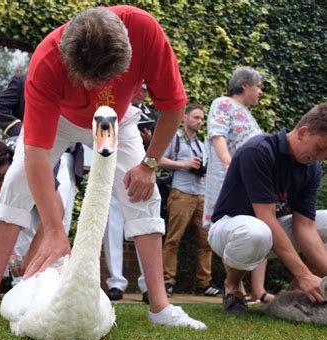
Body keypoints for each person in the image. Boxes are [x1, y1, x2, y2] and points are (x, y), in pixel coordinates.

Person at [0, 5, 206, 329]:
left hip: (108, 121)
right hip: (59, 120)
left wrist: (149, 164)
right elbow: (36, 155)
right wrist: (55, 230)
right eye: (82, 79)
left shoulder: (145, 31)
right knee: (15, 182)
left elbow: (174, 106)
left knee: (144, 195)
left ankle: (160, 307)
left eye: (97, 80)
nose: (88, 87)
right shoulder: (46, 60)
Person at [208, 103, 327, 315]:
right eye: (320, 148)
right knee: (256, 231)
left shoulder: (311, 168)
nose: (322, 156)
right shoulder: (259, 151)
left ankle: (290, 299)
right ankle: (233, 285)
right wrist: (303, 273)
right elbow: (266, 218)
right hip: (228, 229)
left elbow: (305, 227)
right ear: (303, 133)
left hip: (268, 232)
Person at [0, 138, 63, 306]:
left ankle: (52, 292)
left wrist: (30, 255)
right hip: (26, 171)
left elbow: (58, 210)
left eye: (1, 180)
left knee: (50, 230)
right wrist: (12, 257)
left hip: (43, 168)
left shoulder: (28, 162)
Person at [202, 66, 273, 302]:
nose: (260, 92)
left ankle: (258, 290)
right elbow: (217, 134)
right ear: (244, 86)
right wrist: (228, 165)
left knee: (260, 226)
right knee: (237, 230)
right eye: (258, 87)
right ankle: (236, 285)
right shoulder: (223, 103)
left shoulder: (247, 113)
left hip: (251, 183)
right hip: (230, 183)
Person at [0, 73, 83, 234]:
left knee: (61, 217)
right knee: (25, 215)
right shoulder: (24, 80)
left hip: (67, 158)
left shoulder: (81, 86)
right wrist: (23, 132)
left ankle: (55, 258)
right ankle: (23, 259)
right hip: (34, 151)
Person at [159, 104, 222, 297]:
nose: (199, 121)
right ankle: (167, 281)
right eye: (195, 117)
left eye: (202, 118)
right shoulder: (174, 139)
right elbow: (157, 159)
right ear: (184, 118)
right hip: (181, 193)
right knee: (173, 239)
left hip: (202, 194)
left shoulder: (203, 145)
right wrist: (184, 164)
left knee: (206, 241)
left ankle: (204, 284)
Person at [103, 106, 147, 303]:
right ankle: (116, 283)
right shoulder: (109, 105)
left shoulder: (150, 114)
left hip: (137, 173)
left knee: (144, 223)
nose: (142, 92)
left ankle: (148, 285)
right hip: (112, 170)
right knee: (112, 227)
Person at [132, 82, 159, 149]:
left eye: (144, 90)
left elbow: (157, 148)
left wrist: (149, 142)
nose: (140, 93)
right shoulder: (118, 109)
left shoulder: (154, 116)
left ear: (148, 94)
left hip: (141, 156)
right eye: (138, 88)